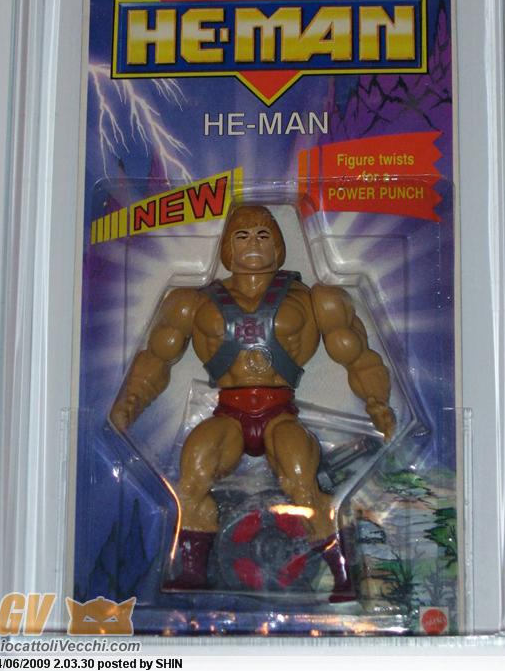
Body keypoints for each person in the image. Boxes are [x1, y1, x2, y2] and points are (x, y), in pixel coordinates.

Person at [110, 204, 395, 599]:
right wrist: (131, 401)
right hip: (228, 412)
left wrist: (378, 404)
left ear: (278, 243)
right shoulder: (192, 302)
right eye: (242, 236)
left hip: (280, 413)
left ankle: (342, 578)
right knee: (191, 481)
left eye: (263, 235)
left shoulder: (316, 299)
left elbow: (357, 355)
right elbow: (157, 357)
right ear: (227, 246)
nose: (253, 244)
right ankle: (190, 576)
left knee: (302, 485)